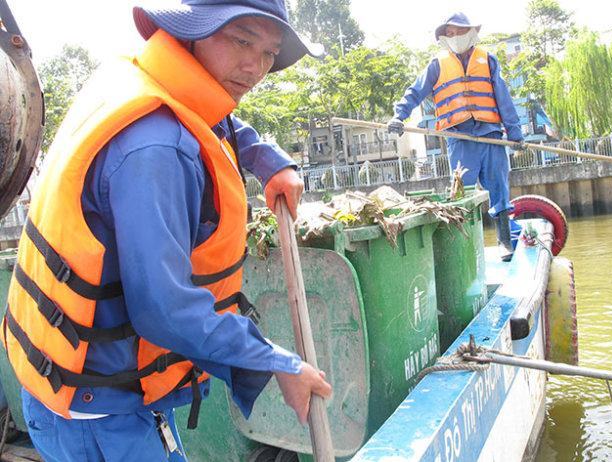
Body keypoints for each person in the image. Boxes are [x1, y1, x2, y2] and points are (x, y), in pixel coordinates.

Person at [2, 1, 332, 460]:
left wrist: (267, 159)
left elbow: (217, 114)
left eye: (269, 53)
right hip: (100, 413)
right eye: (241, 41)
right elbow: (165, 310)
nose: (255, 67)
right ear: (192, 32)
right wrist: (278, 362)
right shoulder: (156, 149)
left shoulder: (140, 77)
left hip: (54, 384)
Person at [387, 12, 525, 261]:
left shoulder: (488, 60)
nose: (454, 37)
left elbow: (503, 98)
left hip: (491, 135)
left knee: (499, 188)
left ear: (471, 32)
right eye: (449, 33)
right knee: (462, 194)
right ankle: (465, 251)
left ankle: (506, 242)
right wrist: (399, 116)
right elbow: (414, 92)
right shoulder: (437, 64)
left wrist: (515, 133)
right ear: (444, 38)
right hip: (460, 138)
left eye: (459, 32)